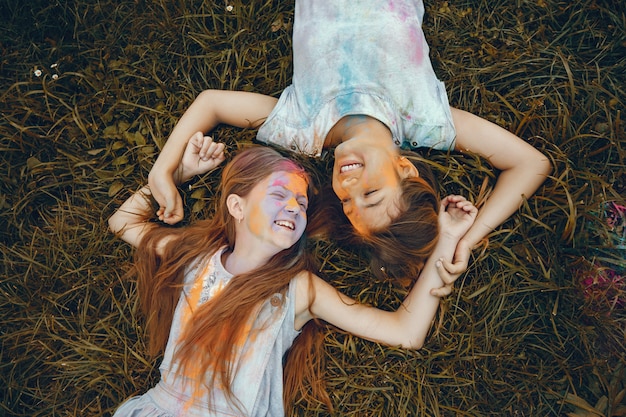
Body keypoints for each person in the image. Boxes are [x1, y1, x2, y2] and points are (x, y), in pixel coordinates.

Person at [148, 0, 549, 279]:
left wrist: (162, 172)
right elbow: (530, 164)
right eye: (371, 194)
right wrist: (462, 240)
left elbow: (213, 104)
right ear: (404, 168)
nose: (347, 185)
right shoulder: (425, 119)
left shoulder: (302, 128)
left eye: (345, 202)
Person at [108, 135, 477, 416]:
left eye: (300, 202)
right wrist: (179, 174)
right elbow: (121, 222)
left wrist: (446, 239)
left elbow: (405, 333)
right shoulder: (194, 258)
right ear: (236, 206)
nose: (292, 207)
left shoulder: (297, 290)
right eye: (279, 194)